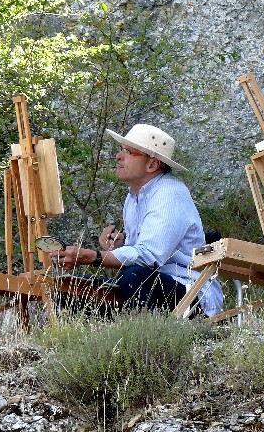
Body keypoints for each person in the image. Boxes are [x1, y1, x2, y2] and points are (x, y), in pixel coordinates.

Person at [53, 124, 224, 316]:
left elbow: (149, 256)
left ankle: (154, 344)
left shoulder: (169, 192)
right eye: (121, 150)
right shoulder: (133, 196)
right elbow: (146, 249)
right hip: (157, 285)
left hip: (192, 293)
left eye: (129, 152)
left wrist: (92, 256)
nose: (119, 156)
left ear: (152, 165)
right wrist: (123, 243)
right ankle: (114, 342)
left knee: (133, 277)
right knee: (70, 288)